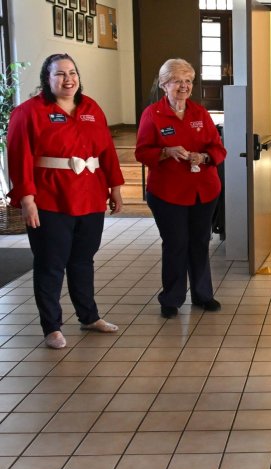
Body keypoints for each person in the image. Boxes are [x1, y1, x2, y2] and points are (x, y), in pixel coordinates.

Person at [7, 53, 124, 349]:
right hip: (50, 199)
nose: (68, 79)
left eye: (72, 72)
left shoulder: (91, 108)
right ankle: (52, 327)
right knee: (50, 264)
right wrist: (27, 199)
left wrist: (115, 186)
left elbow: (106, 150)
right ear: (47, 79)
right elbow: (20, 159)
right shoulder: (29, 112)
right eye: (59, 74)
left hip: (90, 196)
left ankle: (89, 316)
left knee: (83, 260)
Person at [135, 58, 226, 318]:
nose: (183, 86)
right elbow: (142, 152)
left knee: (200, 242)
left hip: (204, 190)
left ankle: (203, 294)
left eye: (188, 81)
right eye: (177, 81)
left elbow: (217, 149)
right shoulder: (152, 114)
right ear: (164, 84)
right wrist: (165, 151)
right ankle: (172, 298)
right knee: (175, 243)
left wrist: (204, 157)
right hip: (168, 193)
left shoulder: (200, 113)